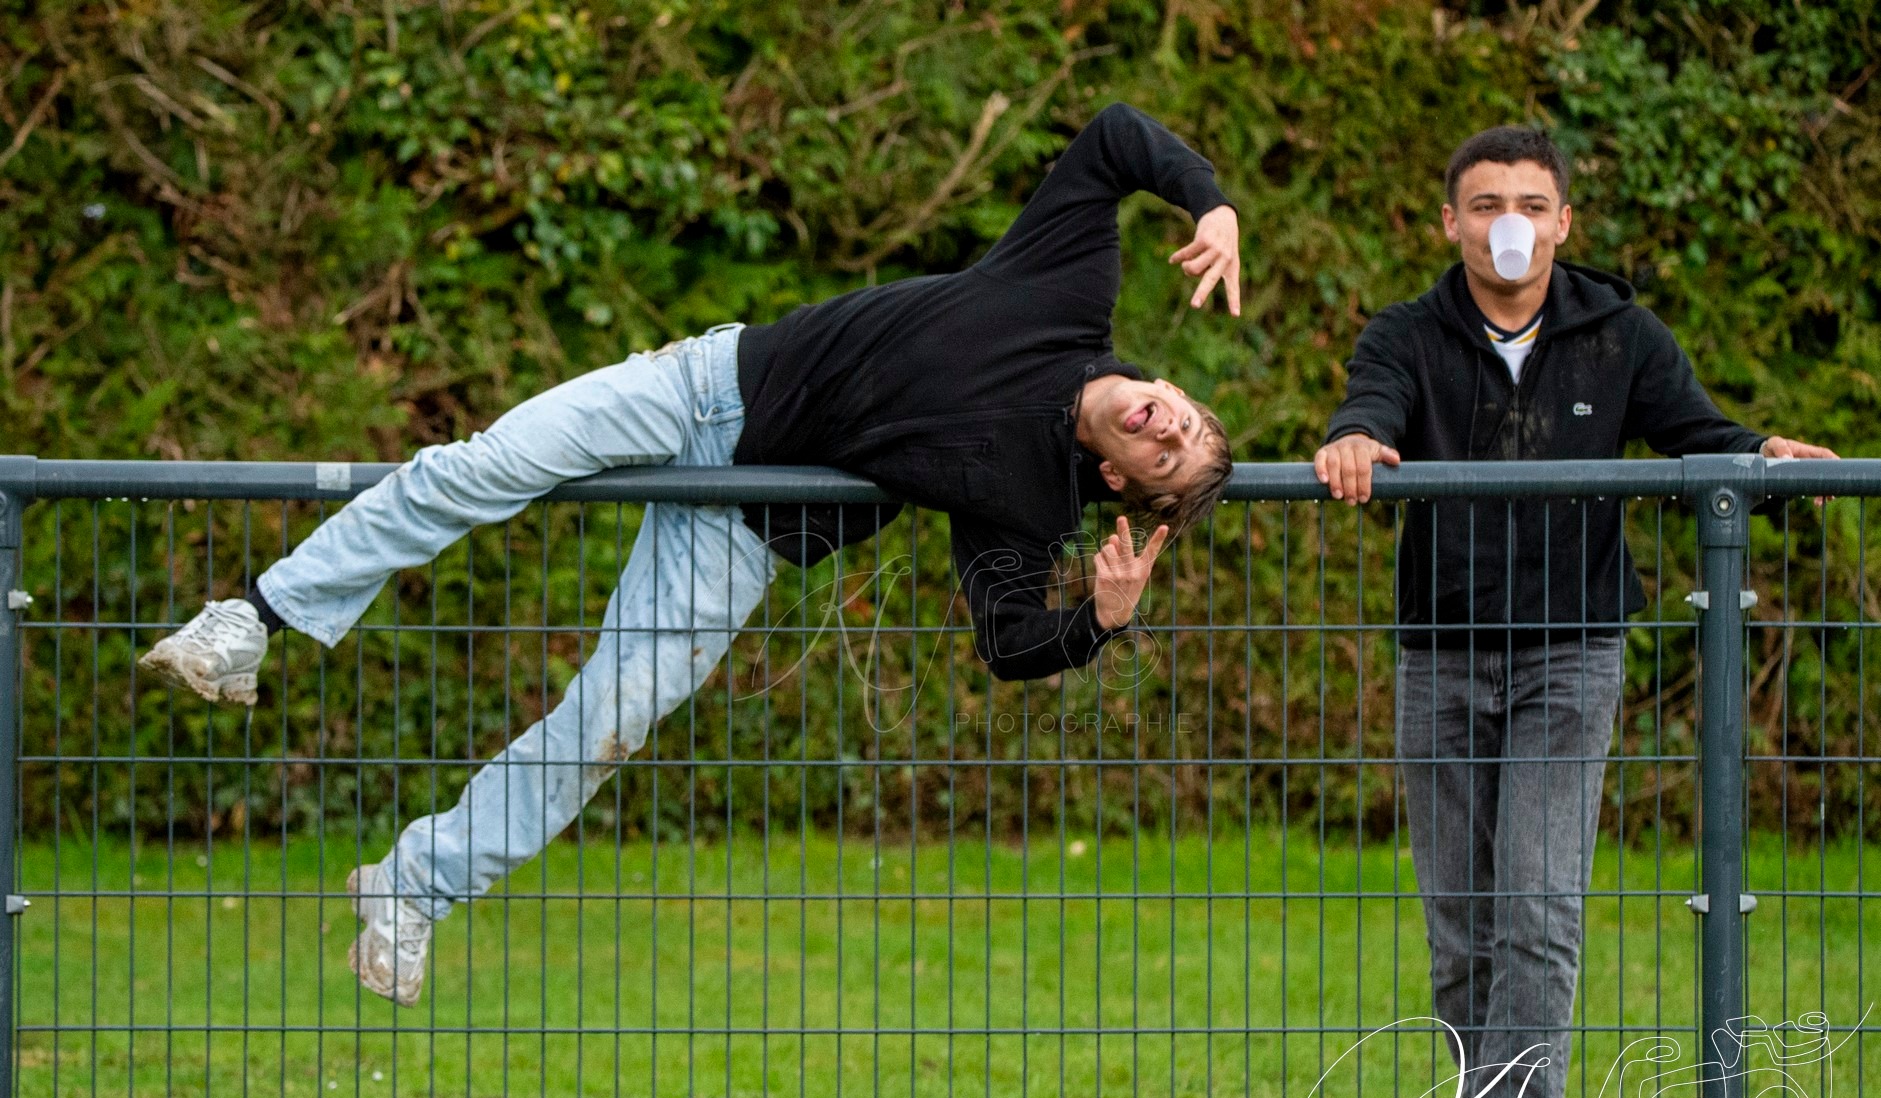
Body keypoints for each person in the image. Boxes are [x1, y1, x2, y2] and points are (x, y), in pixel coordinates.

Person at [140, 102, 1241, 1008]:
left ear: (1120, 485)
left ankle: (413, 887)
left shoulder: (1024, 503)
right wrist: (1214, 201)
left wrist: (1096, 621)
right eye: (1183, 421)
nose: (1167, 429)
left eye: (1168, 461)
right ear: (1171, 393)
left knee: (613, 723)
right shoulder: (1066, 287)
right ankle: (254, 622)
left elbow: (1006, 641)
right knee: (474, 468)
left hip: (743, 532)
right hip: (705, 387)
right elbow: (1112, 137)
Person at [1313, 125, 1837, 1098]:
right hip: (1442, 652)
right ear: (1450, 221)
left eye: (1532, 203)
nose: (1512, 222)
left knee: (1537, 905)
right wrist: (1355, 441)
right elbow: (1369, 410)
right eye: (1488, 202)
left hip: (1571, 650)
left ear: (1564, 222)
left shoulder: (1619, 334)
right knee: (1460, 919)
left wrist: (1768, 457)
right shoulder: (1405, 333)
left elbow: (1704, 435)